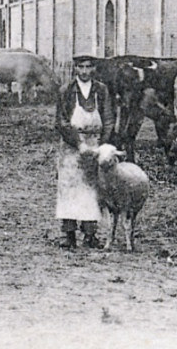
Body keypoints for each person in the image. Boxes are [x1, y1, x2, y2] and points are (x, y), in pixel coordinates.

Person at [55, 54, 115, 249]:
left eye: (89, 67)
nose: (85, 71)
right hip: (72, 145)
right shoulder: (66, 90)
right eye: (81, 67)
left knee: (92, 189)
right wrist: (78, 143)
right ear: (75, 69)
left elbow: (108, 118)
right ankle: (69, 234)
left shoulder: (101, 90)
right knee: (69, 188)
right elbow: (61, 121)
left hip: (95, 143)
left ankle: (90, 234)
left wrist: (102, 145)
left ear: (94, 69)